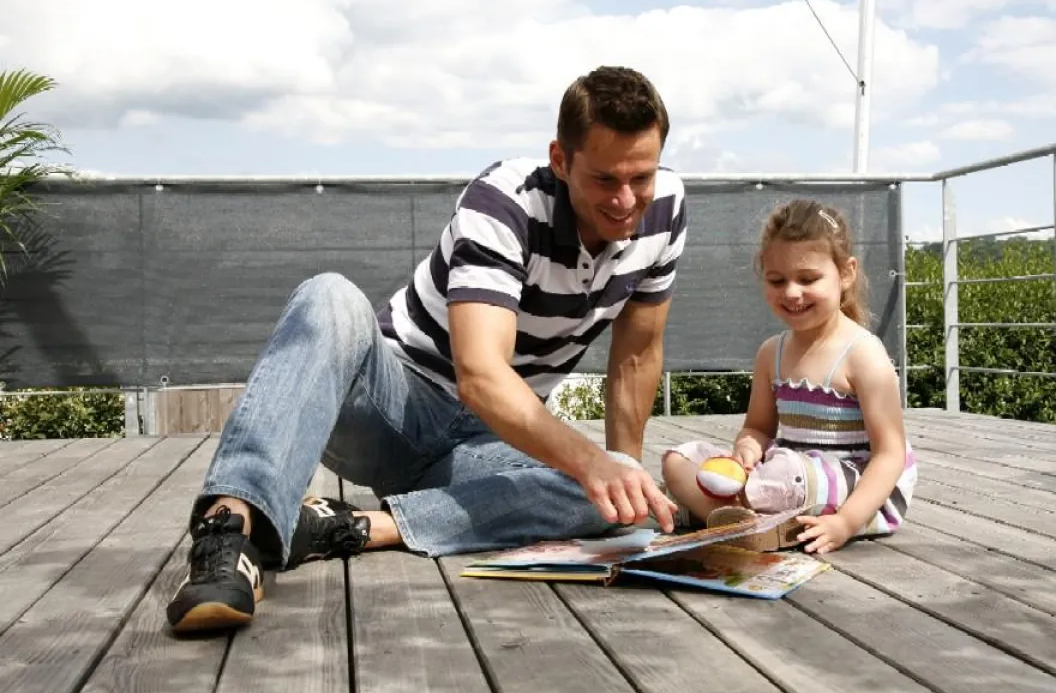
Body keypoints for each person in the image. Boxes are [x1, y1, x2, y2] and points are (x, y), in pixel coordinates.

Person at [166, 65, 687, 633]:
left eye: (642, 177)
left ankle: (355, 527)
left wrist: (624, 483)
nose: (626, 199)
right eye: (606, 180)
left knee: (600, 494)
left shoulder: (666, 212)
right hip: (394, 406)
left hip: (488, 445)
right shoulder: (505, 202)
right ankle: (228, 532)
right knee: (329, 296)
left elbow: (636, 357)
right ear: (560, 160)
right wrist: (595, 464)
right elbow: (481, 376)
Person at [661, 198, 916, 555]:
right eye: (777, 280)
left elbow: (890, 455)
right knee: (679, 460)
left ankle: (734, 515)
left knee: (783, 476)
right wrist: (746, 450)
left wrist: (845, 523)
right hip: (782, 476)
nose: (791, 293)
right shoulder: (771, 352)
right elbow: (758, 429)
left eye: (808, 279)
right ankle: (743, 525)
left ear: (846, 273)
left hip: (850, 488)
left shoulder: (863, 353)